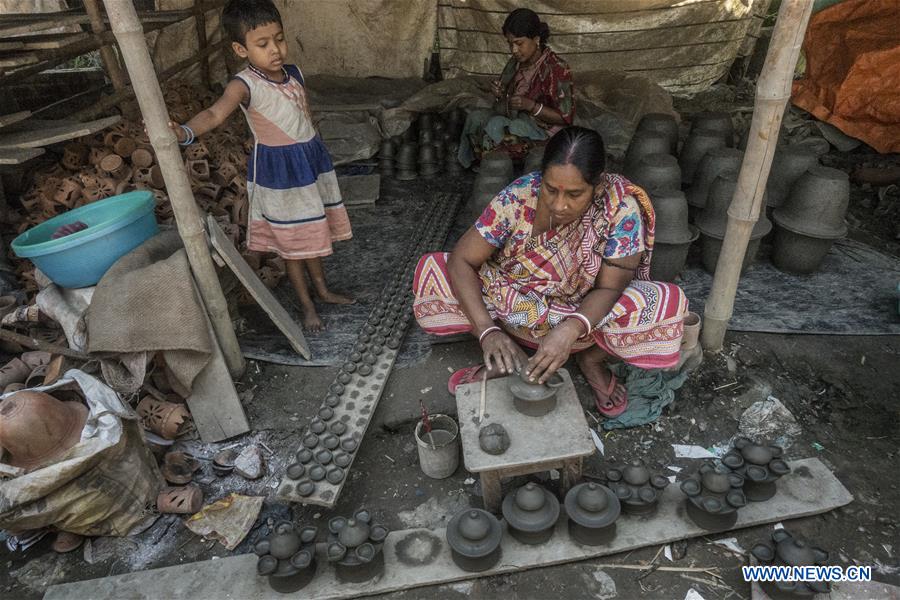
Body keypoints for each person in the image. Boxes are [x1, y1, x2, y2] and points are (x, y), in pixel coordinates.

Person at [414, 127, 688, 417]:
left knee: (665, 303)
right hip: (512, 305)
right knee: (435, 270)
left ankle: (591, 361)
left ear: (597, 184)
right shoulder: (519, 196)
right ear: (541, 177)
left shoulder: (619, 209)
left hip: (582, 315)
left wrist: (572, 328)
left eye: (574, 194)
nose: (559, 205)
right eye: (550, 189)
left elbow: (610, 289)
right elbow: (462, 260)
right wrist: (487, 331)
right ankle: (503, 356)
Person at [168, 0, 353, 332]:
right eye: (263, 44)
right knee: (292, 246)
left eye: (279, 39)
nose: (275, 50)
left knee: (310, 232)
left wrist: (314, 149)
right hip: (280, 174)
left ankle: (323, 290)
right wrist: (185, 132)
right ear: (241, 49)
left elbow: (303, 116)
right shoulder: (243, 85)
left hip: (308, 164)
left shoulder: (295, 73)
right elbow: (213, 114)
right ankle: (307, 305)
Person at [458, 8, 575, 168]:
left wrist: (531, 106)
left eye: (519, 43)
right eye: (510, 44)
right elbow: (505, 100)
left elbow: (565, 118)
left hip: (543, 131)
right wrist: (500, 92)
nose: (514, 50)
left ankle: (501, 170)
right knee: (476, 117)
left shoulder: (557, 68)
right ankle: (478, 165)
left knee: (500, 125)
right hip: (515, 118)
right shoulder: (515, 63)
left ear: (536, 39)